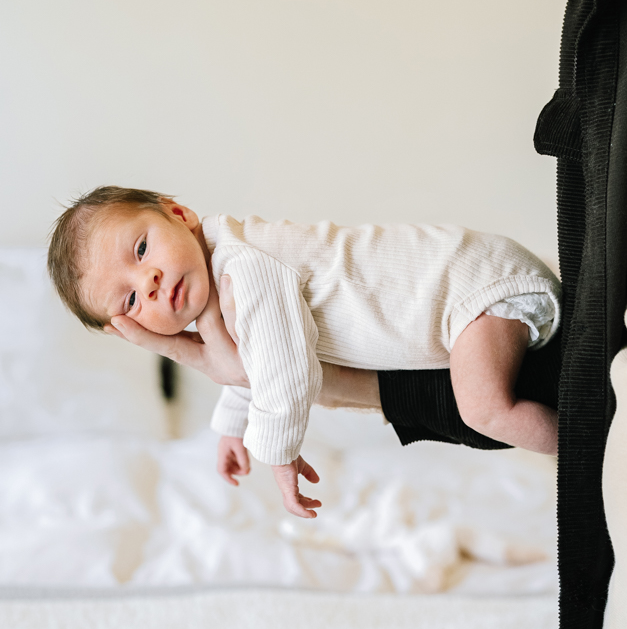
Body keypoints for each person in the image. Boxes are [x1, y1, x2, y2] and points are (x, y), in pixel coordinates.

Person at [47, 185, 561, 518]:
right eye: (132, 298)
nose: (151, 280)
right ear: (127, 327)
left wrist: (279, 451)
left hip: (479, 287)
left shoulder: (241, 268)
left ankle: (595, 449)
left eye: (141, 250)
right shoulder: (224, 278)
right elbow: (254, 352)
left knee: (483, 407)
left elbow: (282, 368)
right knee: (480, 405)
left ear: (178, 213)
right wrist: (233, 425)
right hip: (471, 301)